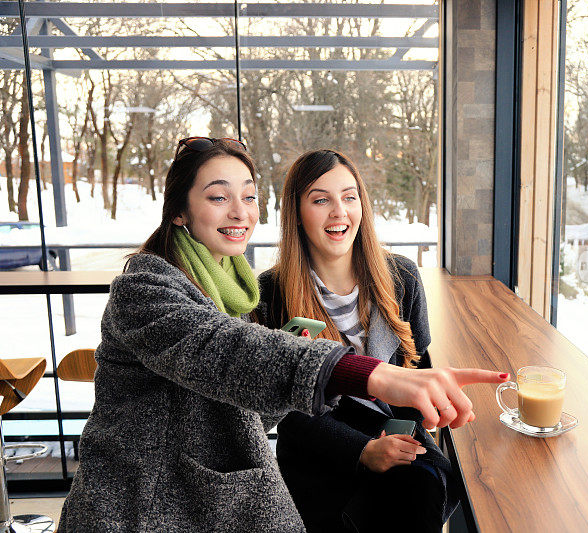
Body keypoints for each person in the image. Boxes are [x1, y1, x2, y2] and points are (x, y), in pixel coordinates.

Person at [57, 138, 508, 533]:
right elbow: (221, 350)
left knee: (421, 485)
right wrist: (365, 376)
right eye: (218, 198)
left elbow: (251, 405)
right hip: (142, 503)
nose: (240, 212)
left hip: (206, 492)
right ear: (178, 210)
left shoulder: (233, 292)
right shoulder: (146, 287)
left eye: (249, 197)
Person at [256, 149, 455, 532]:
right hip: (320, 448)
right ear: (296, 212)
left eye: (349, 197)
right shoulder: (271, 293)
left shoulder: (402, 278)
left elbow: (416, 370)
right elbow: (286, 412)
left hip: (393, 432)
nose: (339, 212)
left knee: (422, 483)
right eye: (321, 200)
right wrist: (362, 451)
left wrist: (400, 436)